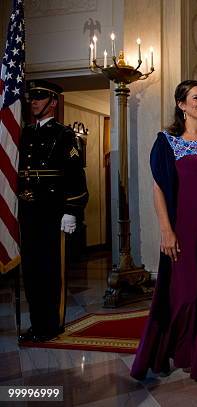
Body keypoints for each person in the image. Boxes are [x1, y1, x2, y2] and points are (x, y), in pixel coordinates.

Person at [130, 80, 197, 387]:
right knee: (184, 295)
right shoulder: (167, 141)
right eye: (196, 97)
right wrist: (166, 230)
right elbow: (159, 189)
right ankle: (169, 349)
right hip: (184, 231)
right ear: (181, 105)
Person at [17, 80, 88, 343]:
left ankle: (51, 324)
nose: (33, 101)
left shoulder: (64, 134)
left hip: (52, 211)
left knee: (50, 270)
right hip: (28, 210)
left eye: (39, 97)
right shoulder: (25, 133)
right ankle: (37, 324)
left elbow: (74, 175)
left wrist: (71, 209)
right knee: (32, 270)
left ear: (53, 102)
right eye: (31, 97)